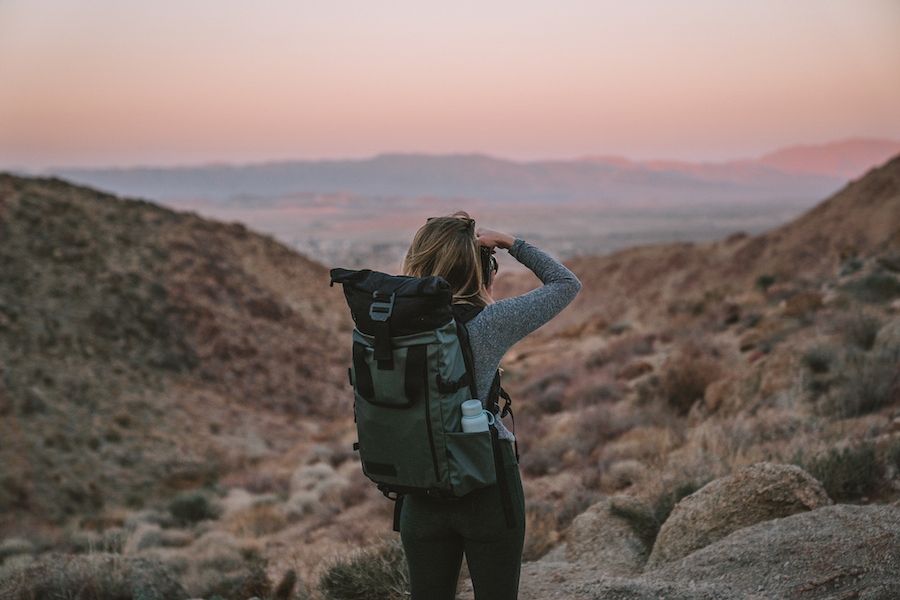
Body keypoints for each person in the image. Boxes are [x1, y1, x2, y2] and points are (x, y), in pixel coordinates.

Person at [399, 211, 581, 600]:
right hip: (486, 485)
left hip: (418, 489)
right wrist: (513, 244)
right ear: (480, 270)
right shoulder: (488, 322)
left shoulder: (389, 324)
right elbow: (566, 283)